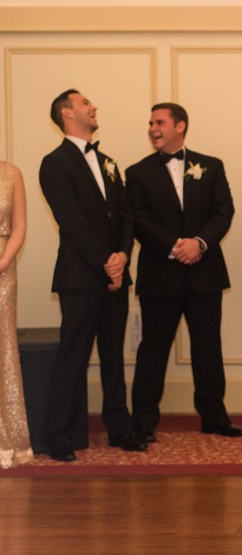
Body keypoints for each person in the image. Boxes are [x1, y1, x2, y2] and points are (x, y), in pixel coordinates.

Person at [126, 102, 242, 444]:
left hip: (204, 273)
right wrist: (176, 245)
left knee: (208, 348)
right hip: (159, 274)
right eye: (150, 123)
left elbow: (224, 210)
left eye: (159, 122)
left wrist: (199, 243)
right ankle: (144, 421)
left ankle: (214, 417)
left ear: (180, 126)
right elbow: (137, 219)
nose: (152, 128)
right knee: (153, 351)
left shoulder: (210, 166)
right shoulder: (137, 172)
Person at [39, 89, 145, 461]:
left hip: (114, 275)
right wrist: (105, 261)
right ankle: (59, 436)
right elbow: (71, 222)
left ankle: (120, 429)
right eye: (85, 103)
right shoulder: (54, 163)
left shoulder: (108, 161)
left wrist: (122, 257)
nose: (93, 106)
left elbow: (127, 215)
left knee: (114, 356)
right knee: (74, 356)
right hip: (80, 277)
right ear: (67, 113)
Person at [0, 156, 33, 469]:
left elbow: (20, 225)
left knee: (2, 351)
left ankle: (5, 439)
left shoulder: (12, 173)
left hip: (2, 271)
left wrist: (3, 262)